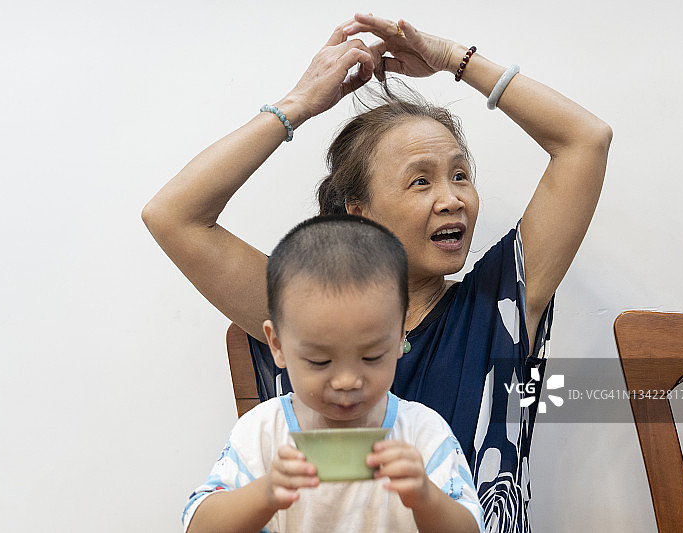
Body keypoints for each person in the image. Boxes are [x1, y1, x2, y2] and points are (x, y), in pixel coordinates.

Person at [143, 13, 612, 533]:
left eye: (460, 175)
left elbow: (585, 140)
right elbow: (172, 216)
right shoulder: (304, 306)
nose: (451, 199)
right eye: (420, 182)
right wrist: (298, 105)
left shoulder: (497, 305)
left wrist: (454, 59)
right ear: (357, 212)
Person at [182, 215, 484, 533]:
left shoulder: (422, 433)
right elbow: (199, 526)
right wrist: (265, 493)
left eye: (370, 357)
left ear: (400, 337)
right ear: (278, 345)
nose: (346, 381)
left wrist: (425, 496)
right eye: (320, 361)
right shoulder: (264, 432)